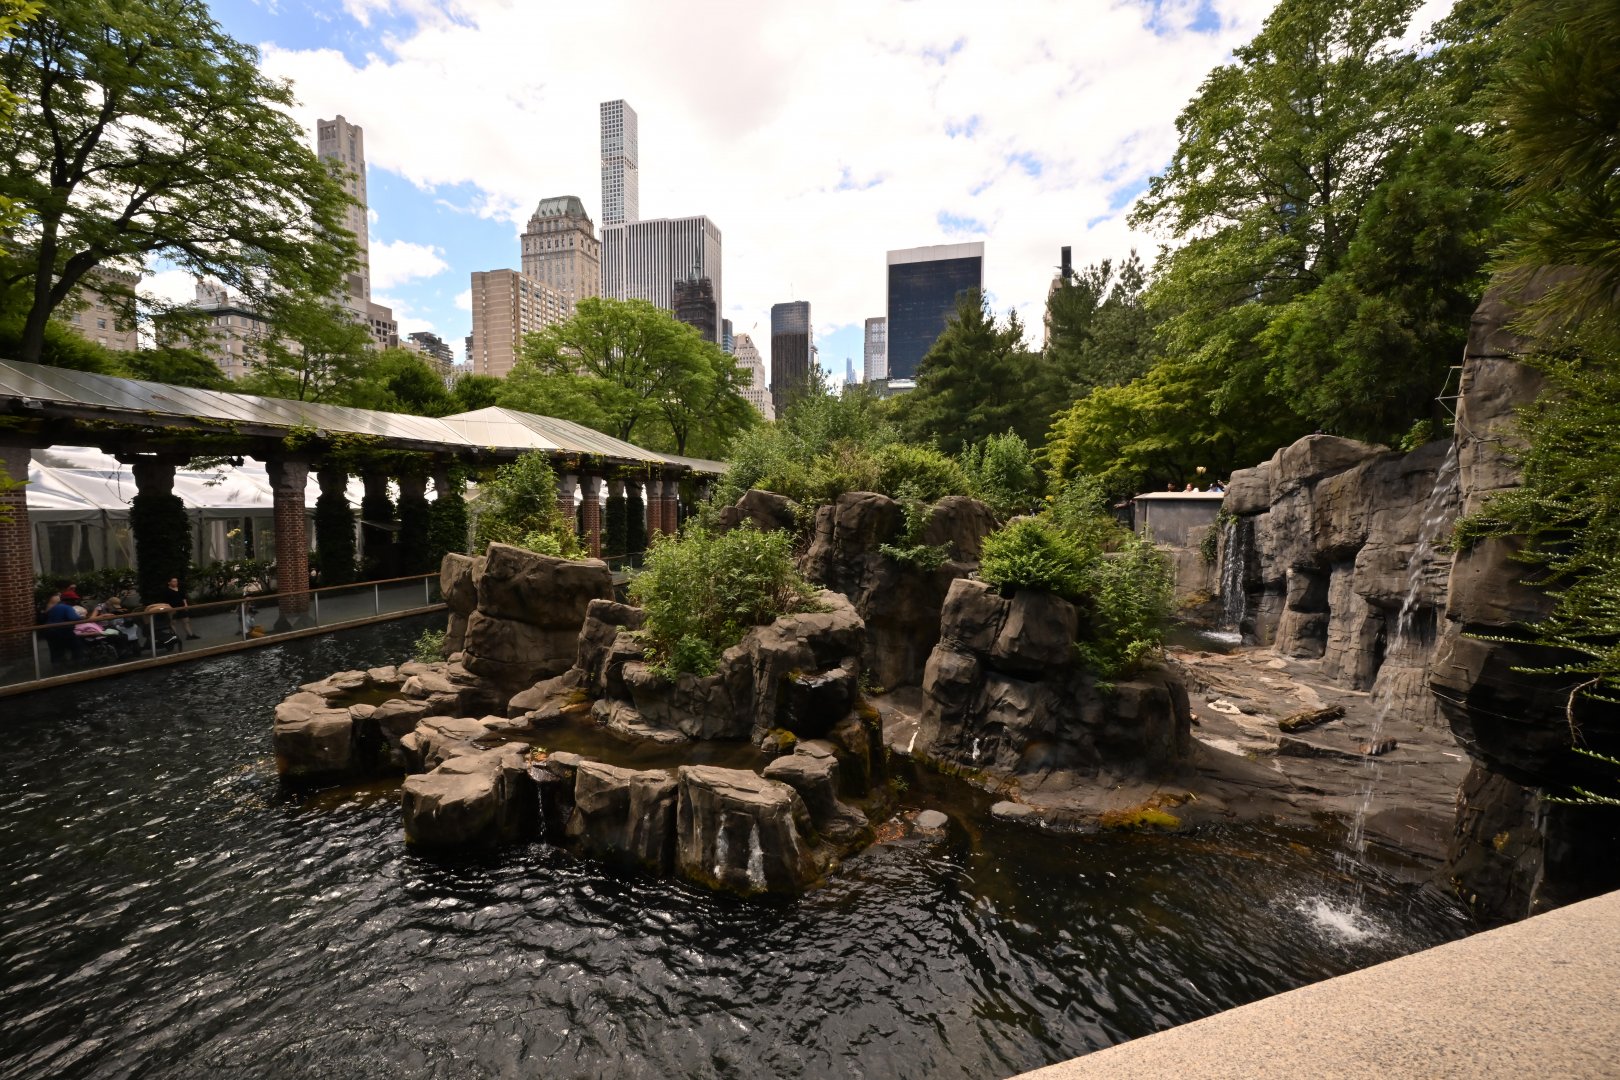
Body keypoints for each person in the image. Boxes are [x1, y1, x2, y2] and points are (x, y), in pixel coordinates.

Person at [41, 592, 83, 665]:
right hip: (61, 631)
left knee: (55, 651)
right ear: (69, 600)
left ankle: (57, 668)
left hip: (49, 631)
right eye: (74, 600)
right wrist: (81, 617)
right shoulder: (67, 607)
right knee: (77, 646)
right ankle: (77, 664)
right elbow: (73, 618)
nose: (75, 602)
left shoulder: (55, 607)